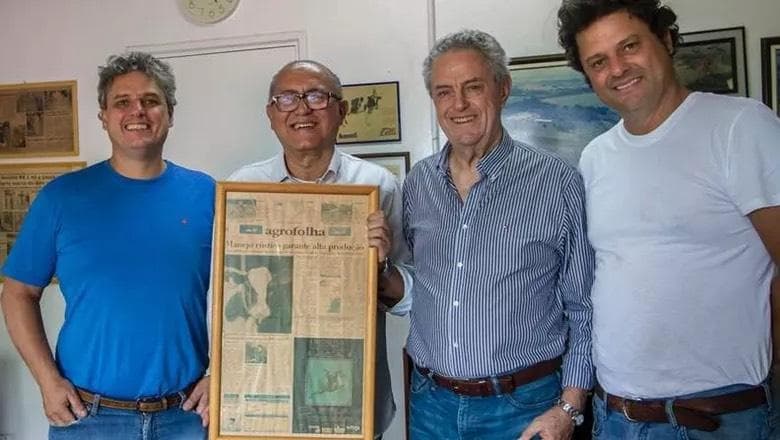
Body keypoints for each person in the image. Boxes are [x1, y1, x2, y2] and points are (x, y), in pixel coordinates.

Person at [557, 1, 780, 438]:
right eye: (598, 62)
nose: (617, 69)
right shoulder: (595, 157)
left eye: (629, 47)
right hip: (615, 417)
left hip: (718, 418)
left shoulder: (740, 126)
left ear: (666, 39)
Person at [0, 52, 214, 439]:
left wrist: (223, 374)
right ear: (103, 115)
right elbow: (18, 292)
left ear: (170, 113)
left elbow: (248, 295)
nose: (138, 111)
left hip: (186, 419)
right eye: (122, 102)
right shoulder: (62, 198)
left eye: (151, 100)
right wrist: (47, 381)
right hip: (88, 419)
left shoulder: (209, 196)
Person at [403, 29, 594, 440]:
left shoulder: (556, 182)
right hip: (430, 405)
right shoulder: (418, 183)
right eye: (444, 92)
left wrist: (570, 407)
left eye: (473, 87)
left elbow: (584, 307)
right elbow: (410, 282)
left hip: (523, 408)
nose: (458, 104)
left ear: (502, 89)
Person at [227, 59, 413, 439]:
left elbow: (407, 300)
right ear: (271, 114)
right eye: (286, 98)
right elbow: (224, 293)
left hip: (350, 394)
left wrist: (380, 266)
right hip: (267, 394)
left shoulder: (378, 185)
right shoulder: (243, 187)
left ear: (341, 111)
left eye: (316, 96)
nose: (301, 109)